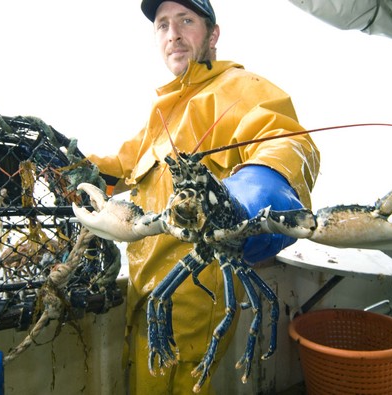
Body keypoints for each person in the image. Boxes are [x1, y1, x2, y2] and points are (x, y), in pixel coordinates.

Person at [87, 1, 320, 393]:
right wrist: (63, 168)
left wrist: (254, 194)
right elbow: (120, 167)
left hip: (194, 299)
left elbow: (287, 141)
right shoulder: (164, 110)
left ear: (213, 34)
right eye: (162, 25)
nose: (172, 34)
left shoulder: (242, 88)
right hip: (145, 295)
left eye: (186, 21)